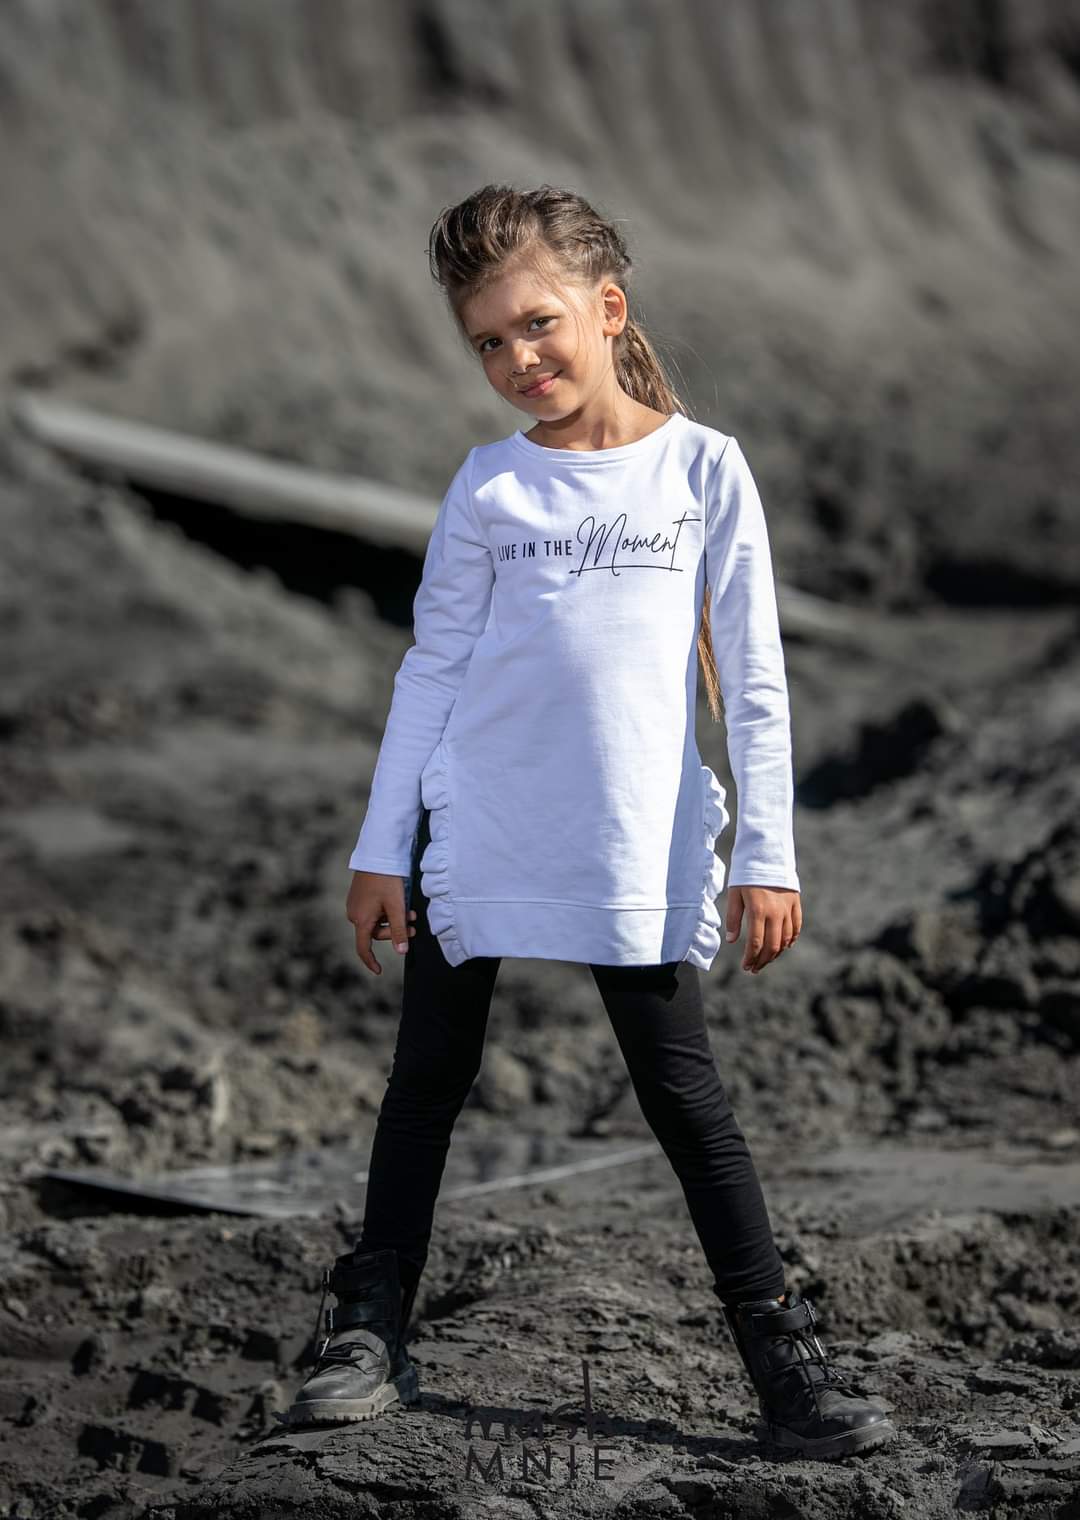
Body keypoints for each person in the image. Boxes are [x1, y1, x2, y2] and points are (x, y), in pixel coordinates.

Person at [283, 184, 896, 1460]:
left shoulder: (705, 470)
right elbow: (432, 670)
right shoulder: (488, 485)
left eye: (537, 324)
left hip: (631, 837)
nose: (518, 358)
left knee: (684, 1094)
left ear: (607, 309)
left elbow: (756, 679)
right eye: (488, 342)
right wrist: (382, 846)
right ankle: (369, 1328)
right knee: (427, 1081)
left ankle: (782, 1359)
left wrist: (768, 854)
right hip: (475, 826)